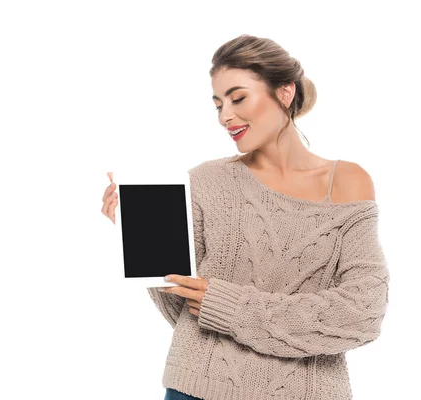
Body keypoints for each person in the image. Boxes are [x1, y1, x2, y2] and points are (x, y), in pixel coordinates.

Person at [100, 34, 389, 400]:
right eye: (218, 104)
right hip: (196, 389)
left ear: (284, 93)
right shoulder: (206, 181)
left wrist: (231, 306)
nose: (226, 116)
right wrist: (143, 238)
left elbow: (362, 314)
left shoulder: (347, 182)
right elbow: (186, 314)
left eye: (238, 98)